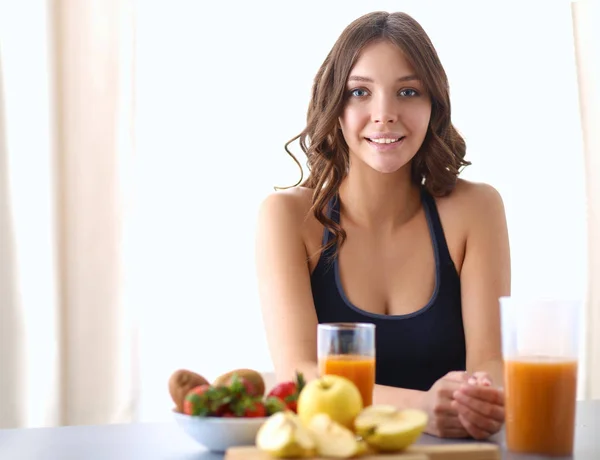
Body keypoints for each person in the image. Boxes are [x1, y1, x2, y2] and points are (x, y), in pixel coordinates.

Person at [255, 11, 510, 440]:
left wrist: (476, 398)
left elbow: (490, 363)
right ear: (334, 106)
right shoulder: (286, 218)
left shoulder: (476, 209)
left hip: (451, 451)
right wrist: (423, 406)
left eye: (408, 91)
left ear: (435, 106)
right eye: (360, 92)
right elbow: (300, 376)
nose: (385, 114)